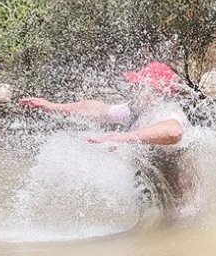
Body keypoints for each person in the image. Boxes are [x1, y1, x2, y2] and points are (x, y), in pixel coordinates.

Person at [20, 61, 199, 221]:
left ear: (155, 91)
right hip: (161, 199)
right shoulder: (137, 110)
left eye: (139, 85)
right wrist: (53, 106)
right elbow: (98, 109)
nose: (133, 88)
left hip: (185, 210)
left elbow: (173, 132)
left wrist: (123, 137)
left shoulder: (168, 112)